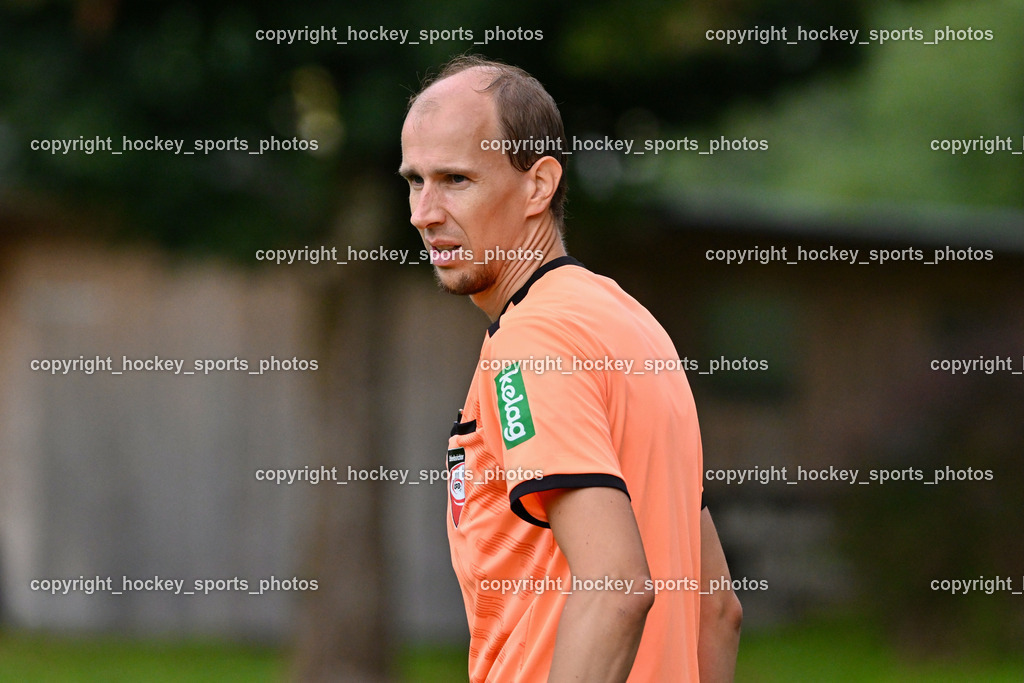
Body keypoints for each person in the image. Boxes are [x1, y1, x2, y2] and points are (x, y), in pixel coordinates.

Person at [399, 55, 740, 682]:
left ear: (538, 184)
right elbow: (716, 608)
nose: (424, 212)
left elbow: (616, 586)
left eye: (455, 179)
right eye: (415, 181)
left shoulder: (534, 341)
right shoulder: (632, 325)